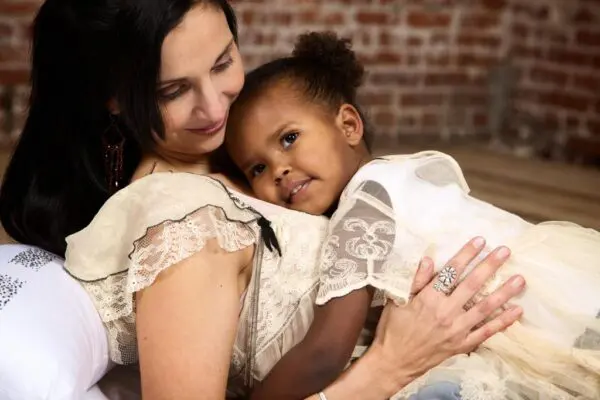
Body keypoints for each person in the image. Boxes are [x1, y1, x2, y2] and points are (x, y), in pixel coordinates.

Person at [0, 1, 525, 399]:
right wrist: (389, 364)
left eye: (224, 61)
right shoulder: (185, 230)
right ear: (111, 99)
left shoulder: (231, 155)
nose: (214, 106)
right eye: (173, 90)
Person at [225, 31, 600, 399]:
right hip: (562, 293)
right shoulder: (396, 173)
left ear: (349, 125)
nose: (278, 170)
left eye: (289, 138)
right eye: (257, 168)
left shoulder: (365, 205)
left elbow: (324, 353)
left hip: (545, 315)